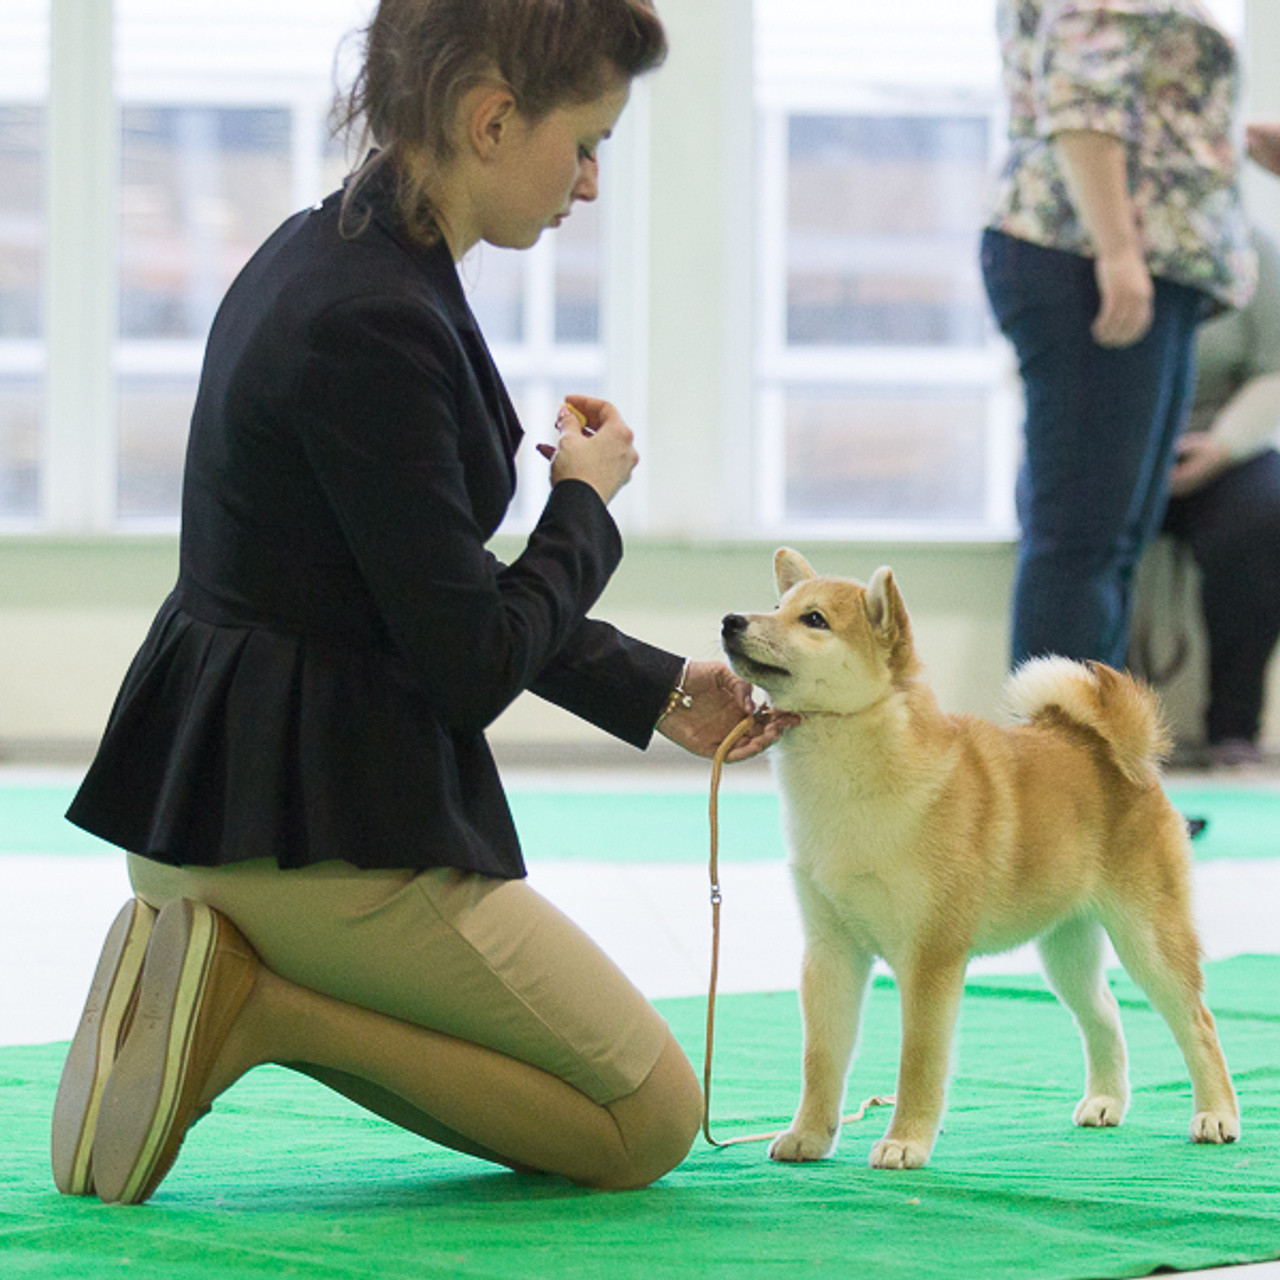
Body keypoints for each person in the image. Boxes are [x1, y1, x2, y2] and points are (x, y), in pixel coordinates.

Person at [51, 0, 795, 1207]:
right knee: (646, 1120)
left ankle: (231, 978)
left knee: (606, 1097)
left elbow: (414, 578)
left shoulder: (324, 253)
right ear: (491, 121)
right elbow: (467, 661)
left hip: (210, 811)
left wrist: (657, 690)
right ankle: (254, 1008)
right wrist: (581, 503)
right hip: (305, 841)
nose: (591, 182)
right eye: (586, 142)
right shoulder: (376, 320)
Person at [980, 0, 1255, 672]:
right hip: (1085, 257)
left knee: (1110, 544)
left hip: (1130, 259)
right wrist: (1117, 251)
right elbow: (1080, 95)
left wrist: (1222, 138)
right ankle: (1054, 740)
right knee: (1082, 544)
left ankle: (1090, 735)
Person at [1137, 224, 1280, 768]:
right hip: (1114, 449)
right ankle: (1089, 733)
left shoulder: (1254, 249)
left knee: (1266, 512)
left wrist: (1223, 446)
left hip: (1220, 445)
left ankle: (1234, 728)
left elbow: (1274, 369)